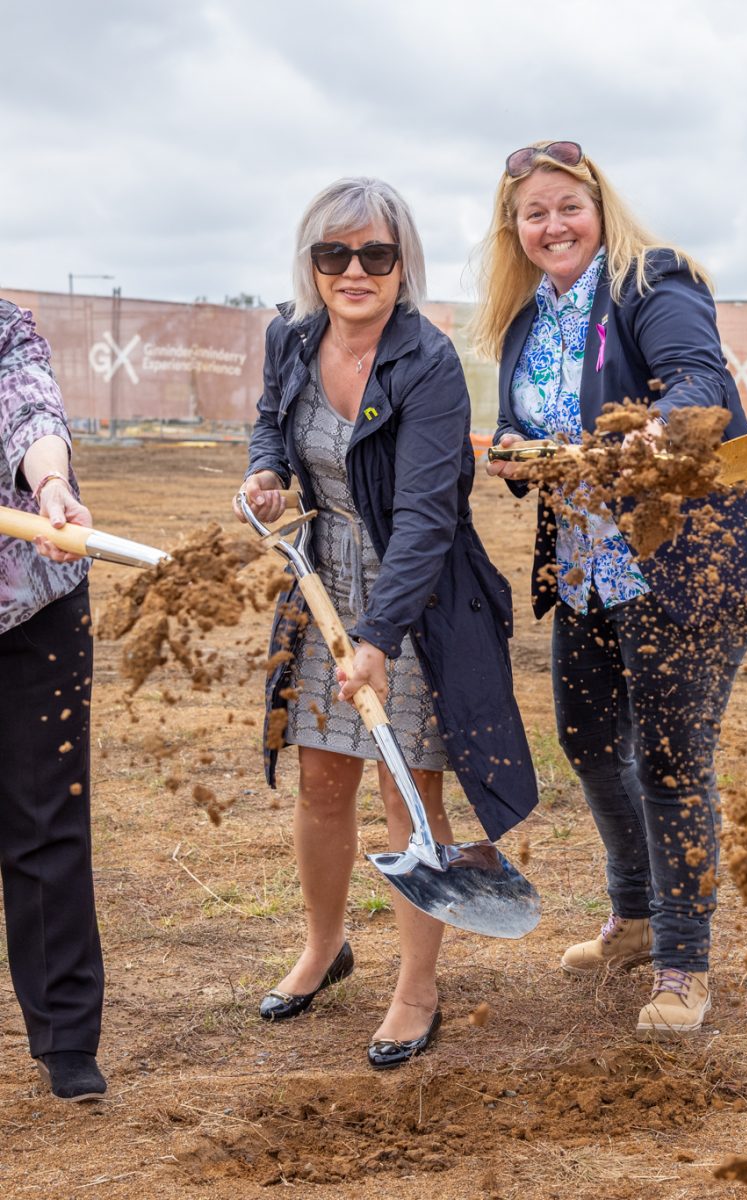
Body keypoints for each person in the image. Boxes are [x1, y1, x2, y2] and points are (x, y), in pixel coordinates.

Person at [475, 140, 747, 1037]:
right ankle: (637, 916)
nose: (554, 225)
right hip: (588, 569)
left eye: (568, 206)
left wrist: (656, 429)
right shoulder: (525, 320)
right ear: (514, 229)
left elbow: (698, 382)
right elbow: (529, 424)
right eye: (534, 213)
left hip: (687, 559)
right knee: (586, 741)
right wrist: (514, 452)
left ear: (599, 208)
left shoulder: (651, 279)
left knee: (670, 758)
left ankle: (684, 962)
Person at [234, 177, 537, 1068]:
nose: (354, 271)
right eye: (335, 253)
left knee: (410, 791)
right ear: (314, 263)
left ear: (403, 264)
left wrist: (376, 639)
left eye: (376, 253)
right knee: (322, 779)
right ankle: (324, 948)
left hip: (418, 597)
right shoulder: (291, 338)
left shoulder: (427, 362)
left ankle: (416, 988)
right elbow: (270, 425)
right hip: (321, 579)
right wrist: (265, 475)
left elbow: (426, 518)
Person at [0, 300, 105, 1098]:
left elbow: (30, 407)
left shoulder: (7, 327)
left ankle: (66, 1036)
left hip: (34, 596)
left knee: (47, 816)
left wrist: (51, 483)